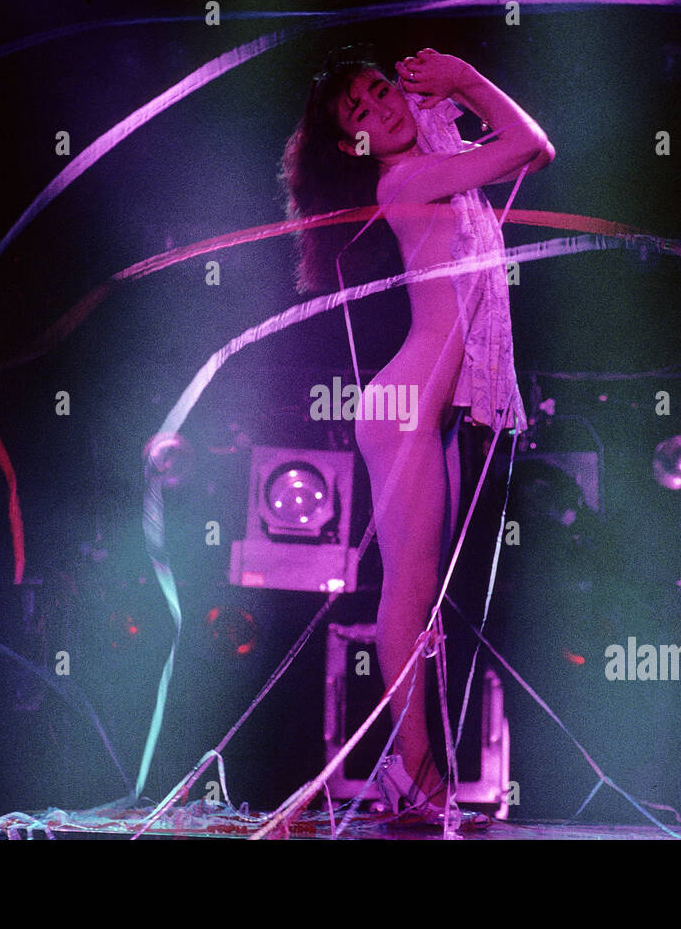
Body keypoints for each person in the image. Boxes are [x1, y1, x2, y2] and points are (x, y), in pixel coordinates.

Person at [280, 46, 554, 826]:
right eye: (360, 113)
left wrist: (456, 84)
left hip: (425, 408)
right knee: (407, 592)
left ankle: (413, 772)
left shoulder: (436, 162)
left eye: (381, 91)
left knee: (422, 593)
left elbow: (535, 153)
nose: (383, 110)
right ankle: (418, 776)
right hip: (403, 406)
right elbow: (530, 144)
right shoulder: (405, 181)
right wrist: (462, 77)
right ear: (352, 146)